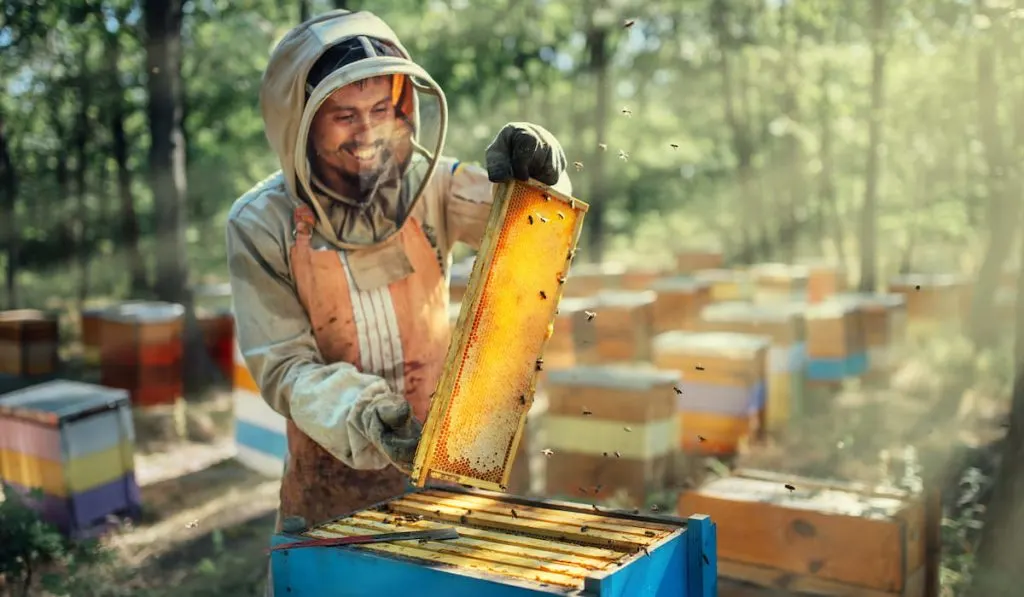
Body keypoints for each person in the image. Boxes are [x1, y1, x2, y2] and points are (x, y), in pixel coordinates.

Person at [226, 7, 572, 547]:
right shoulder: (261, 223)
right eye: (344, 115)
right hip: (332, 485)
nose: (369, 132)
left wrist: (541, 173)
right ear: (301, 120)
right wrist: (362, 413)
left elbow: (531, 226)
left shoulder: (434, 184)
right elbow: (283, 366)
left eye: (382, 109)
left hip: (449, 467)